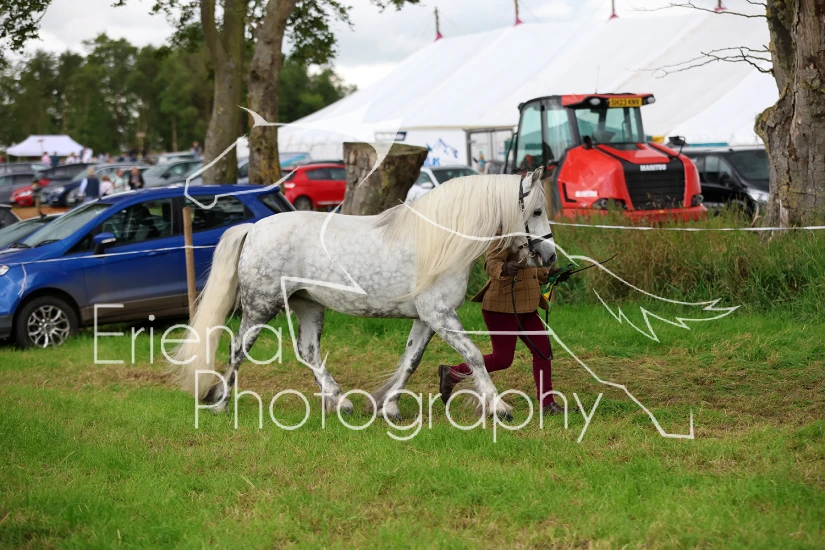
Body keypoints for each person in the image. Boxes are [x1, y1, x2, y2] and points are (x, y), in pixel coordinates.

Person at [438, 240, 574, 415]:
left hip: (527, 306)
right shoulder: (504, 233)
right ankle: (452, 373)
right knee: (502, 360)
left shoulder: (528, 233)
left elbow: (531, 269)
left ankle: (547, 404)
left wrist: (549, 274)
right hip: (501, 307)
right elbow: (491, 263)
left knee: (543, 352)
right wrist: (505, 268)